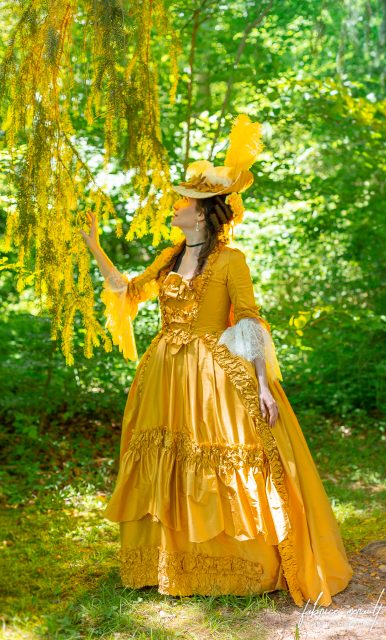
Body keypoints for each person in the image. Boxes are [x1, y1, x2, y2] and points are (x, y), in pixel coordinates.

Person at [80, 114, 353, 606]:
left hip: (212, 375)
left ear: (204, 213)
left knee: (218, 457)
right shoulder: (168, 256)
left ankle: (233, 569)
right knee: (166, 458)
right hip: (164, 372)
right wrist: (94, 246)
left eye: (184, 201)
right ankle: (167, 562)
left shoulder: (232, 261)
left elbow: (248, 321)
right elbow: (127, 292)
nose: (177, 205)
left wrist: (264, 386)